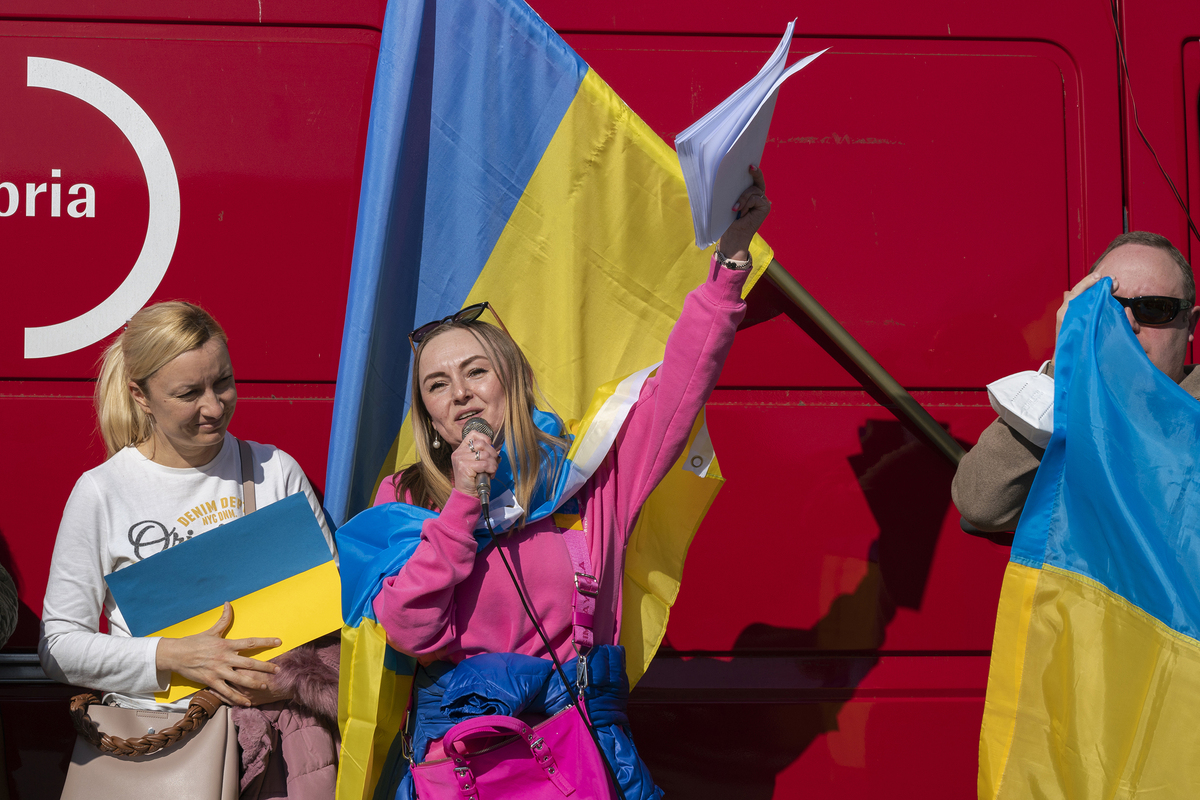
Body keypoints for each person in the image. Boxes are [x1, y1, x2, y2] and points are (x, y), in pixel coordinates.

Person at [368, 167, 771, 799]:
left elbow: (678, 393)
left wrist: (728, 266)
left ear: (514, 382)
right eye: (437, 386)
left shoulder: (588, 475)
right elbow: (412, 631)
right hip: (467, 766)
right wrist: (463, 510)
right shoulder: (406, 499)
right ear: (432, 421)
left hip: (582, 751)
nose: (461, 394)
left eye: (475, 371)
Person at [39, 301, 340, 797]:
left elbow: (334, 617)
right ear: (140, 395)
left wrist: (287, 681)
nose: (215, 406)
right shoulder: (102, 491)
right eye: (188, 393)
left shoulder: (274, 471)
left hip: (276, 752)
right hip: (160, 746)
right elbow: (58, 645)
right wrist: (173, 656)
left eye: (223, 382)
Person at [952, 231, 1200, 532]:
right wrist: (1064, 371)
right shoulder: (1071, 409)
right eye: (1107, 308)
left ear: (1190, 323)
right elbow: (981, 504)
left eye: (1154, 308)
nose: (1128, 324)